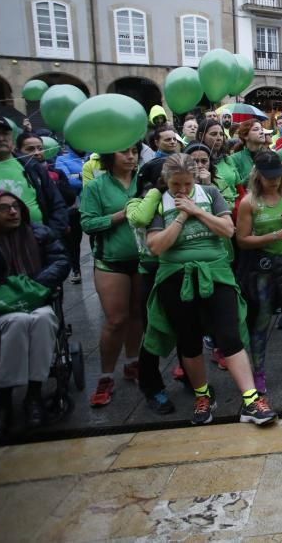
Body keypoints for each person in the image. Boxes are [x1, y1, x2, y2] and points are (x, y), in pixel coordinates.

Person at [144, 154, 276, 426]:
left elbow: (227, 229)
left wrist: (196, 210)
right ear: (165, 181)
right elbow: (156, 246)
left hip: (215, 273)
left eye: (187, 184)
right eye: (175, 185)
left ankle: (251, 400)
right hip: (175, 277)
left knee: (229, 335)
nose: (181, 190)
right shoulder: (157, 201)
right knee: (188, 340)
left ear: (195, 179)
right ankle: (202, 395)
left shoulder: (211, 192)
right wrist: (181, 216)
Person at [0, 191, 69, 440]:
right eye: (4, 208)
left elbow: (60, 261)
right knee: (18, 321)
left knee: (43, 320)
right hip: (0, 308)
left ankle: (34, 393)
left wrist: (32, 286)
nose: (12, 212)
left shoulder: (39, 233)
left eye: (15, 207)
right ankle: (5, 396)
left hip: (37, 298)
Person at [235, 150, 282, 393]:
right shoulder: (249, 203)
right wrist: (273, 235)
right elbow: (241, 240)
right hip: (262, 270)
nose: (274, 181)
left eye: (277, 176)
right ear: (257, 175)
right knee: (261, 321)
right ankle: (258, 371)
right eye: (269, 177)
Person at [80, 144, 143, 408]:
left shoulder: (146, 179)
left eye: (134, 151)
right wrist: (120, 215)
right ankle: (106, 375)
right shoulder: (96, 186)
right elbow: (87, 223)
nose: (131, 156)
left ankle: (132, 362)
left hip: (143, 260)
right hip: (110, 262)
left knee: (138, 315)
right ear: (110, 156)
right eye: (124, 152)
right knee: (116, 320)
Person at [124, 158, 175, 414]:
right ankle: (152, 387)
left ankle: (191, 377)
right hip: (152, 274)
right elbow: (141, 218)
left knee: (187, 329)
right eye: (167, 175)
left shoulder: (178, 198)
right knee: (153, 334)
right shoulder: (136, 203)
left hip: (178, 271)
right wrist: (155, 189)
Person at [0, 116, 68, 235]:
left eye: (4, 133)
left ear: (12, 138)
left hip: (39, 242)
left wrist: (51, 234)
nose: (0, 138)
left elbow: (57, 204)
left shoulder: (31, 166)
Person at [55, 143, 86, 283]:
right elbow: (68, 181)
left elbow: (103, 174)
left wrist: (78, 175)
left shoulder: (94, 156)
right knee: (74, 241)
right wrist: (87, 175)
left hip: (96, 204)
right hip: (74, 207)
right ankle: (76, 269)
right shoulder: (62, 159)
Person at [229, 120, 268, 185]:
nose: (261, 132)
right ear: (245, 136)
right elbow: (235, 187)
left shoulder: (270, 156)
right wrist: (251, 176)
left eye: (262, 129)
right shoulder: (234, 159)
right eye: (256, 129)